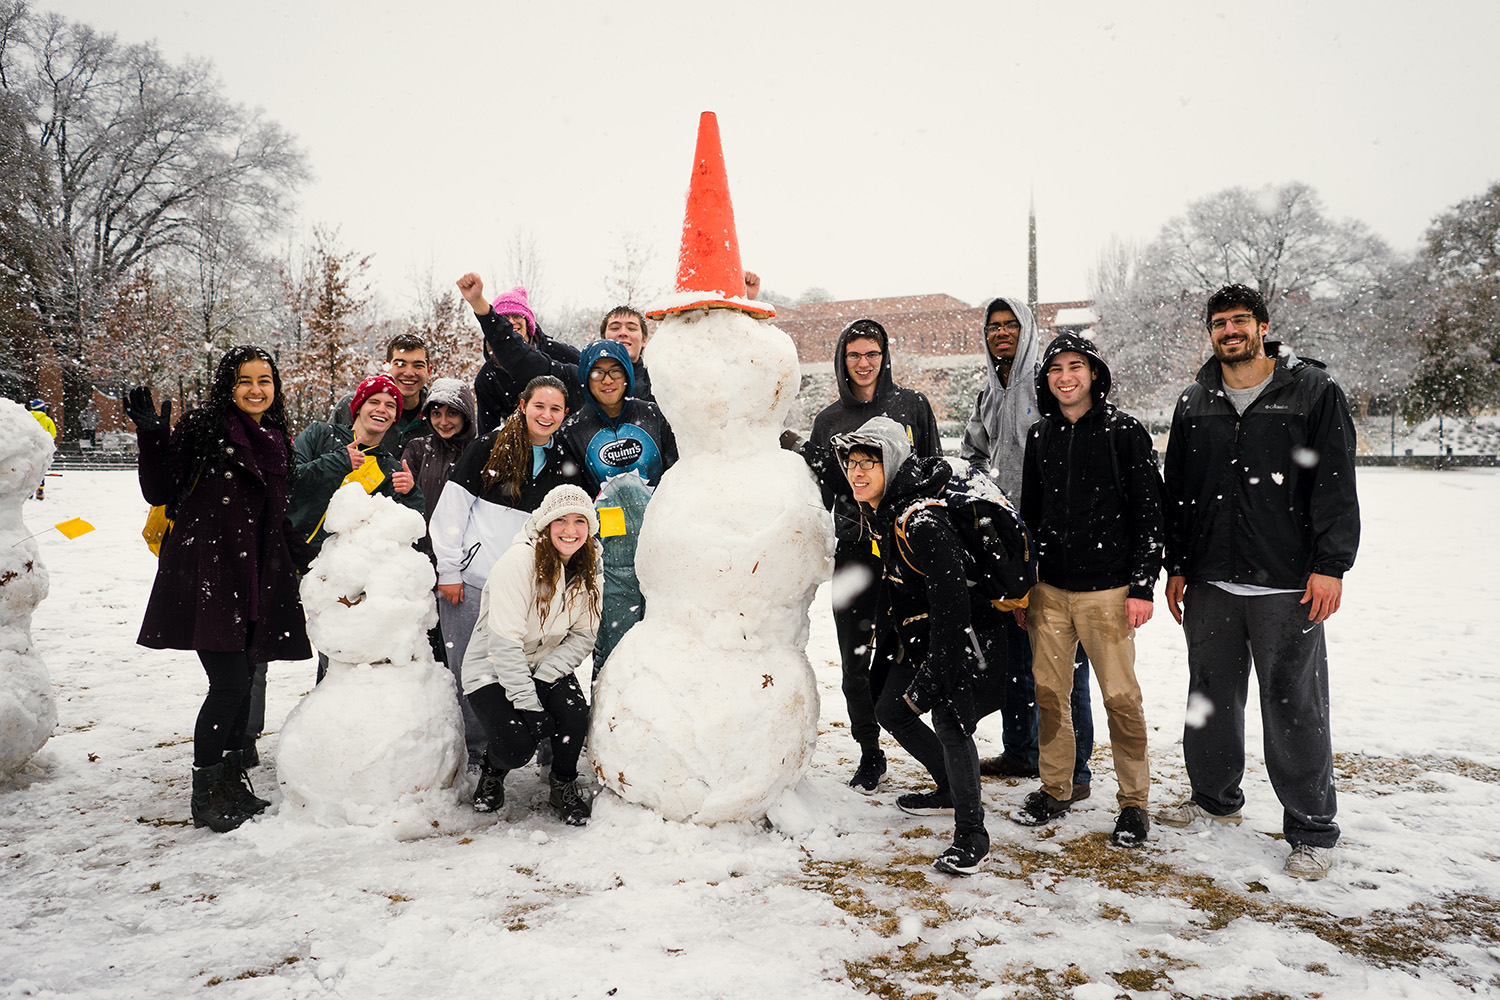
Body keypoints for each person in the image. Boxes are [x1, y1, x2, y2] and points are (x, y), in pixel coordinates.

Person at [1156, 283, 1359, 880]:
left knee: (1294, 704)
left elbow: (1335, 484)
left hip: (1287, 582)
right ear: (1210, 332)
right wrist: (1179, 564)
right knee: (1210, 697)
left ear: (1263, 326)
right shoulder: (1196, 399)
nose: (1230, 331)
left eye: (1241, 320)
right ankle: (1214, 799)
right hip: (1213, 580)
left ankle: (1311, 828)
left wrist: (1330, 566)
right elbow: (1182, 490)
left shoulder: (1312, 392)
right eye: (1220, 323)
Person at [126, 347, 312, 833]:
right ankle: (205, 793)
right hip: (209, 572)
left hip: (255, 577)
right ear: (227, 386)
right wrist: (151, 434)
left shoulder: (275, 440)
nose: (256, 389)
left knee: (244, 677)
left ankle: (230, 782)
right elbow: (159, 489)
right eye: (244, 380)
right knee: (229, 683)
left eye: (264, 381)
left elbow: (278, 516)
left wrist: (312, 556)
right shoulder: (203, 428)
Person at [833, 416, 1009, 876]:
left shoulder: (923, 520)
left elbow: (953, 605)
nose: (857, 473)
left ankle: (972, 834)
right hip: (918, 634)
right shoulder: (886, 509)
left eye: (869, 462)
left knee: (951, 722)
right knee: (891, 710)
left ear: (890, 463)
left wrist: (939, 670)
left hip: (960, 636)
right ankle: (949, 787)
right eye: (851, 463)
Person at [1006, 334, 1164, 847]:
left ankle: (1134, 803)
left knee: (1120, 698)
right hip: (1050, 591)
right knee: (1049, 695)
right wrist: (1025, 586)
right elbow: (1030, 515)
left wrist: (1141, 585)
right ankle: (1056, 789)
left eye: (1076, 366)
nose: (1065, 377)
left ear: (1094, 374)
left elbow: (1149, 514)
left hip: (1109, 593)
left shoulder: (1124, 432)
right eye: (1055, 369)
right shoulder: (1040, 435)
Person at [791, 318, 941, 795]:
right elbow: (826, 490)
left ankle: (934, 744)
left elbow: (932, 470)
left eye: (871, 354)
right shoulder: (829, 420)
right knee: (853, 658)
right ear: (842, 360)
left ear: (884, 356)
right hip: (855, 550)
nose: (863, 363)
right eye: (854, 355)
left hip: (905, 549)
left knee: (907, 647)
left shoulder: (911, 406)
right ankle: (869, 751)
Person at [960, 296, 1094, 793]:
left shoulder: (1047, 383)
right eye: (992, 326)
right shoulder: (987, 393)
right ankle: (1021, 753)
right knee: (1015, 658)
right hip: (1004, 549)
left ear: (1027, 329)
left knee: (1064, 663)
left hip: (1055, 548)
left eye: (1010, 325)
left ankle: (1076, 770)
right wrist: (984, 498)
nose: (1000, 333)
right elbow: (973, 452)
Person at [429, 375, 581, 767]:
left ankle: (550, 749)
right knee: (473, 672)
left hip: (530, 588)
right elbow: (451, 511)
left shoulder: (565, 459)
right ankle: (482, 757)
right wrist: (449, 569)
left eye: (555, 409)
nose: (546, 415)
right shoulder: (488, 447)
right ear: (522, 405)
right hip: (474, 582)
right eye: (539, 406)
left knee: (535, 664)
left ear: (565, 414)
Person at [462, 484, 601, 826]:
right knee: (517, 744)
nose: (571, 531)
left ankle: (562, 784)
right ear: (545, 525)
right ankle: (493, 772)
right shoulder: (519, 563)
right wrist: (527, 702)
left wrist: (543, 677)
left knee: (573, 715)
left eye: (580, 521)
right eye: (561, 521)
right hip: (492, 667)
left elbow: (584, 634)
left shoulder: (589, 565)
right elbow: (504, 642)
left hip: (544, 662)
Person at [289, 373, 424, 556]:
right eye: (374, 402)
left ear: (394, 418)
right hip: (284, 550)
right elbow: (289, 478)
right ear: (359, 407)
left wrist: (411, 493)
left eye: (390, 406)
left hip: (334, 569)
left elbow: (408, 529)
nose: (382, 409)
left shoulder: (390, 468)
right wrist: (338, 462)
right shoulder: (319, 434)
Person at [457, 279, 582, 433]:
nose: (511, 323)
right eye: (504, 318)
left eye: (516, 316)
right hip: (521, 445)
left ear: (528, 321)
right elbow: (487, 431)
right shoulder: (487, 377)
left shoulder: (560, 353)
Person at [329, 334, 435, 451]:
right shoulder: (352, 405)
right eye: (400, 364)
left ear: (428, 370)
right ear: (386, 367)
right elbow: (323, 454)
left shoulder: (438, 413)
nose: (409, 372)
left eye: (418, 365)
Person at [598, 306, 655, 401]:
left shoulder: (658, 381)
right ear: (603, 339)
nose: (623, 333)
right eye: (615, 328)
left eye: (632, 328)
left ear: (644, 340)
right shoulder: (585, 377)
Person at [26, 400, 56, 499]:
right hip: (41, 450)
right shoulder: (47, 420)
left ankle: (28, 492)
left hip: (27, 449)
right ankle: (40, 491)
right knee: (40, 471)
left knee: (28, 470)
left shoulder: (26, 418)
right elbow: (53, 434)